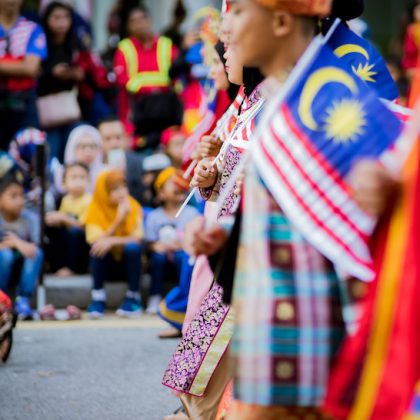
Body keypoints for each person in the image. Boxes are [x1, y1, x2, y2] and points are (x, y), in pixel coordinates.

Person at [113, 5, 180, 149]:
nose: (139, 24)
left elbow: (177, 78)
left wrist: (143, 84)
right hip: (137, 116)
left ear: (150, 20)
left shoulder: (166, 45)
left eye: (142, 19)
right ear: (128, 26)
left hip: (165, 113)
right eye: (134, 21)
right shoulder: (124, 48)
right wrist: (156, 86)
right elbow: (123, 80)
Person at [85, 169, 144, 318]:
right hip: (107, 265)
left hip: (128, 264)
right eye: (115, 189)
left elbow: (138, 238)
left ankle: (133, 296)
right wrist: (118, 220)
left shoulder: (133, 206)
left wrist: (111, 241)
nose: (122, 192)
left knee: (133, 248)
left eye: (123, 187)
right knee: (98, 248)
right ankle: (98, 297)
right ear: (104, 191)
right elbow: (95, 239)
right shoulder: (95, 207)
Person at [144, 167, 197, 319]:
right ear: (161, 193)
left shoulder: (191, 213)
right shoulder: (154, 216)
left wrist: (181, 245)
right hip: (162, 256)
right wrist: (155, 246)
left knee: (183, 257)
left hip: (182, 253)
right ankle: (155, 296)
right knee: (157, 259)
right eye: (171, 182)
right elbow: (149, 241)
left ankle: (185, 296)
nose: (177, 184)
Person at [37, 1, 84, 161]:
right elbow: (34, 74)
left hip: (71, 107)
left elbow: (87, 72)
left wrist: (75, 74)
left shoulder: (75, 45)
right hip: (46, 110)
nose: (61, 22)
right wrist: (52, 73)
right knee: (52, 154)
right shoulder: (40, 42)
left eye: (65, 17)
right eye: (56, 18)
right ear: (46, 19)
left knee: (75, 151)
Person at [0, 0, 47, 150]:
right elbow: (25, 67)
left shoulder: (32, 29)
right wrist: (20, 64)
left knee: (31, 151)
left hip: (25, 103)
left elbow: (31, 68)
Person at [0, 174, 43, 320]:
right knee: (5, 254)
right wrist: (9, 245)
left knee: (36, 253)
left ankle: (22, 300)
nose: (19, 200)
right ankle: (2, 297)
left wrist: (17, 243)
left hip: (22, 266)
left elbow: (34, 248)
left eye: (21, 196)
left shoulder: (30, 218)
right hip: (4, 266)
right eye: (13, 196)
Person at [46, 162, 91, 276]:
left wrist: (64, 219)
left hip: (84, 244)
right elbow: (61, 220)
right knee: (52, 229)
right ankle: (55, 265)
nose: (78, 182)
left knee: (75, 233)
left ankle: (71, 268)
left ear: (89, 181)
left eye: (82, 178)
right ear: (64, 183)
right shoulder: (66, 199)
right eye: (74, 177)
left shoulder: (89, 200)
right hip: (68, 240)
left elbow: (83, 226)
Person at [98, 116, 144, 205]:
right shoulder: (94, 166)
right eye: (108, 139)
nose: (114, 143)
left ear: (126, 139)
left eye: (118, 137)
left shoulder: (140, 163)